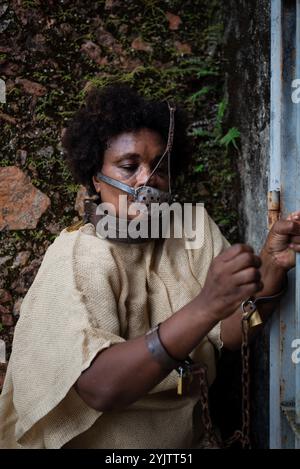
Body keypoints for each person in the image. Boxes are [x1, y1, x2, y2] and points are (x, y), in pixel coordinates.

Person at [0, 85, 300, 449]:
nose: (146, 180)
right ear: (96, 176)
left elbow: (231, 332)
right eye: (129, 167)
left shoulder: (191, 228)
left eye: (159, 166)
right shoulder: (78, 255)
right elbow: (101, 386)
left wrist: (271, 265)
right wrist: (205, 305)